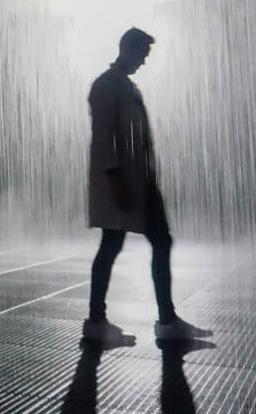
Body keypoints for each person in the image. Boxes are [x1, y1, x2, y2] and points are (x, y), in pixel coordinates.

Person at [84, 27, 210, 342]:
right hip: (122, 183)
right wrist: (117, 181)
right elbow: (104, 138)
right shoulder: (106, 86)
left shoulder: (124, 86)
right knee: (118, 245)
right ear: (126, 48)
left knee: (130, 244)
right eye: (142, 55)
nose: (143, 62)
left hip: (137, 182)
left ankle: (114, 322)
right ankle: (150, 322)